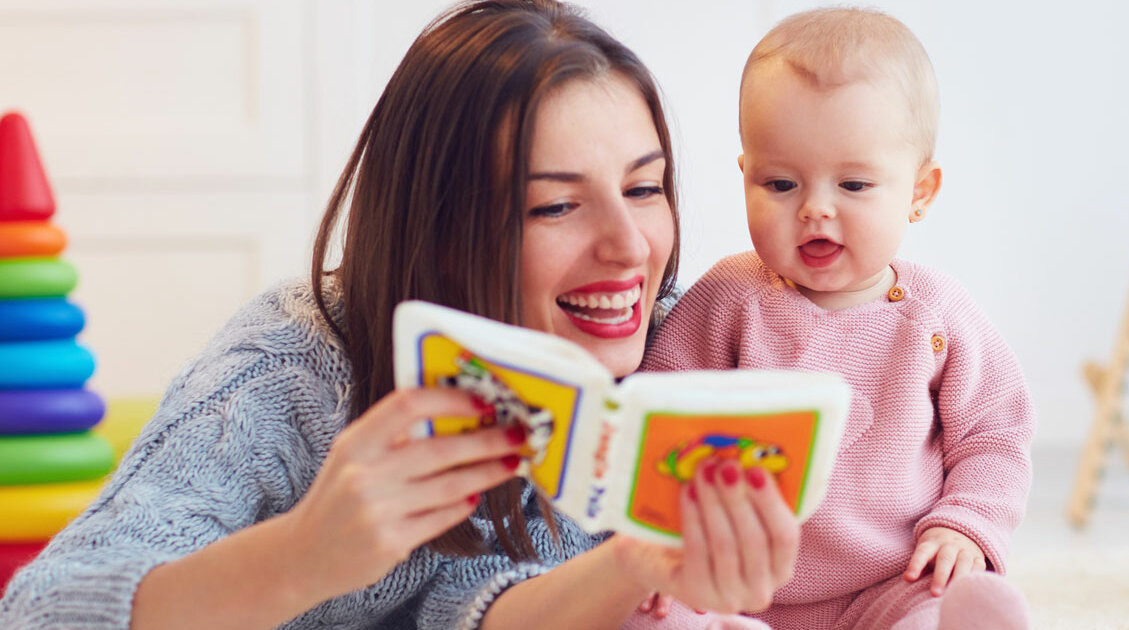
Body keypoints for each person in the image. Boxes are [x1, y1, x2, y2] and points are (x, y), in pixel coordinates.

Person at [0, 2, 797, 629]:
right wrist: (304, 556)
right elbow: (43, 609)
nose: (630, 248)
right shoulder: (293, 373)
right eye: (555, 205)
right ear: (441, 228)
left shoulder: (683, 341)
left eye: (645, 188)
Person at [641, 8, 1035, 630]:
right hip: (731, 583)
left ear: (919, 193)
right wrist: (659, 548)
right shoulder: (728, 298)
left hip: (891, 581)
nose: (815, 210)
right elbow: (655, 421)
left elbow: (995, 436)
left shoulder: (938, 315)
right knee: (643, 614)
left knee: (940, 603)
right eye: (780, 184)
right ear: (745, 176)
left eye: (853, 185)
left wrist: (968, 525)